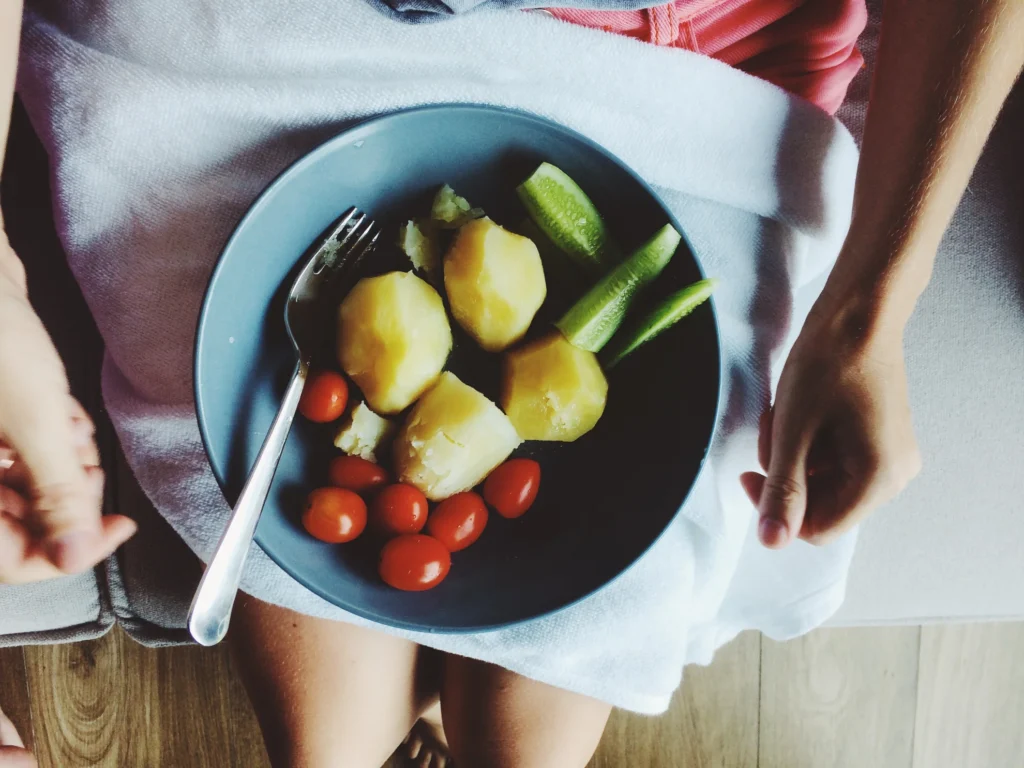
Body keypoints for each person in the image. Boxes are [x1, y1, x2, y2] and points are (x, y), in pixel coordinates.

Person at [1, 0, 1022, 766]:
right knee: (321, 707)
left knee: (573, 634)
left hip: (678, 68)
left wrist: (869, 312)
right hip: (258, 38)